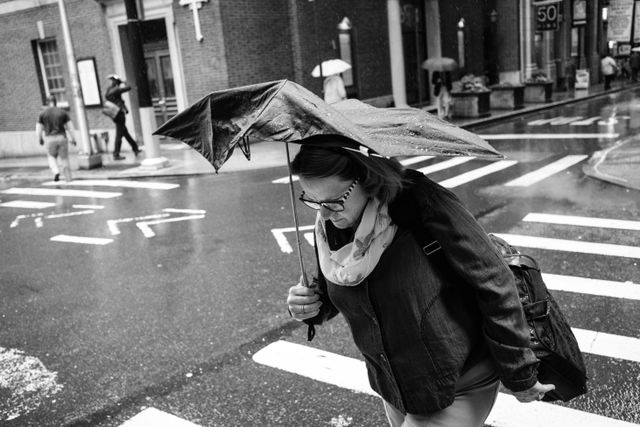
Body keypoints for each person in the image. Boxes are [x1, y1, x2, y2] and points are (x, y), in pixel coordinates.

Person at [286, 136, 555, 427]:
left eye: (333, 202)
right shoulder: (329, 229)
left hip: (459, 382)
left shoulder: (422, 203)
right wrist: (310, 305)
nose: (323, 213)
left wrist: (520, 374)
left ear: (367, 178)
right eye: (311, 200)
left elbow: (494, 281)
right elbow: (332, 293)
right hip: (395, 387)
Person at [35, 95, 76, 182]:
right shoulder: (63, 112)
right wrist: (73, 138)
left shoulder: (42, 114)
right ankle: (68, 178)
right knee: (64, 158)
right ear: (55, 102)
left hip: (50, 139)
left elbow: (38, 129)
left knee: (51, 156)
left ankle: (55, 171)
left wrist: (40, 139)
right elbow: (70, 127)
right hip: (62, 137)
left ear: (47, 103)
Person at [104, 74, 141, 160]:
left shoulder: (109, 90)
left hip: (114, 114)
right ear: (117, 81)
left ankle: (135, 148)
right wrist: (124, 82)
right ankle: (116, 154)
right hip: (119, 114)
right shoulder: (117, 89)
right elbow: (129, 87)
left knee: (125, 132)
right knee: (119, 134)